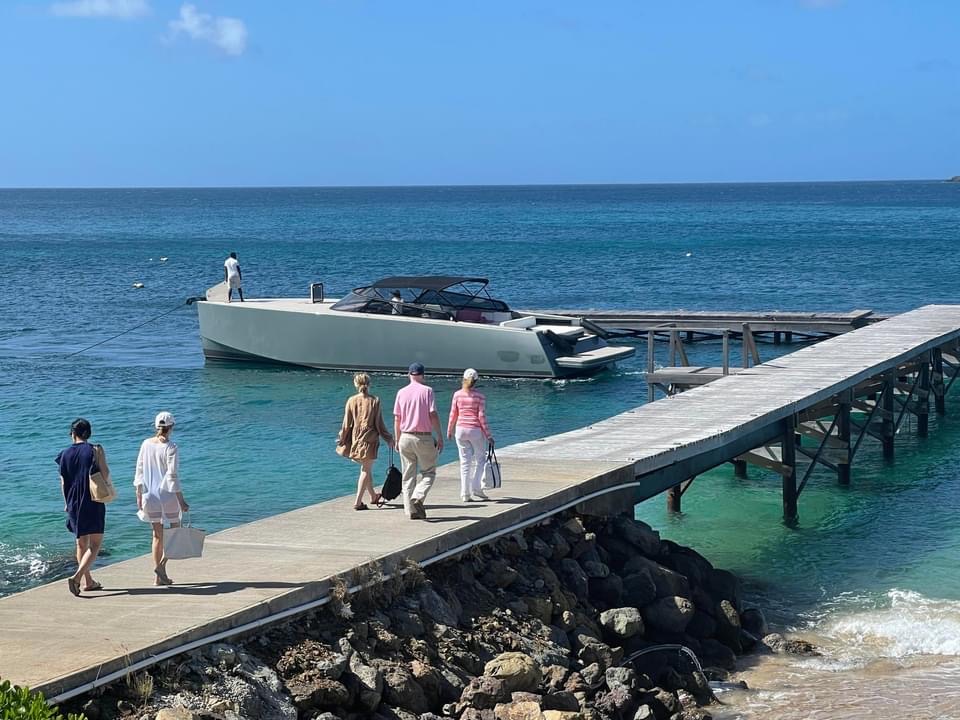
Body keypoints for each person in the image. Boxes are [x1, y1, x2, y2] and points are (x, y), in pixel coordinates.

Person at [134, 411, 189, 586]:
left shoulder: (145, 444)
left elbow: (139, 471)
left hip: (149, 494)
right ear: (171, 427)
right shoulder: (172, 447)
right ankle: (162, 566)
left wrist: (138, 494)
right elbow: (172, 476)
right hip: (167, 494)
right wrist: (181, 500)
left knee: (157, 536)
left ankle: (158, 577)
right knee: (175, 532)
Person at [57, 418, 106, 596]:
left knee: (81, 545)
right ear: (88, 434)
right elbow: (105, 473)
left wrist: (66, 504)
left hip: (73, 502)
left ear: (73, 433)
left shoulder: (63, 454)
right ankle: (78, 578)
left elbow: (64, 482)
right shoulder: (94, 450)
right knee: (95, 545)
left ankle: (89, 581)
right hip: (92, 500)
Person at [393, 362, 443, 519]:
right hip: (423, 436)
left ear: (409, 374)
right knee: (429, 472)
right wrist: (439, 435)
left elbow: (397, 418)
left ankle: (410, 511)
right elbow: (433, 414)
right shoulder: (427, 391)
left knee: (408, 475)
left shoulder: (401, 392)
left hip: (405, 436)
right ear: (423, 375)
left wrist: (397, 438)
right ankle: (418, 496)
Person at [338, 373, 394, 510]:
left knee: (366, 469)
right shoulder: (375, 400)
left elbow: (346, 424)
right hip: (370, 439)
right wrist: (389, 438)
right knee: (366, 469)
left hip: (356, 439)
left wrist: (342, 439)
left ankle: (373, 496)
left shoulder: (351, 400)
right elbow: (379, 424)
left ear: (356, 384)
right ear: (369, 384)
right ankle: (358, 502)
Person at [447, 368, 494, 502]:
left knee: (464, 462)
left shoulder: (457, 395)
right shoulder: (480, 396)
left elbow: (453, 413)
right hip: (475, 430)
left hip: (460, 430)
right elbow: (481, 417)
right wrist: (489, 435)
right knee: (480, 460)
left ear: (463, 379)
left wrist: (449, 430)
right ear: (476, 381)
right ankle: (477, 488)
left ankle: (465, 493)